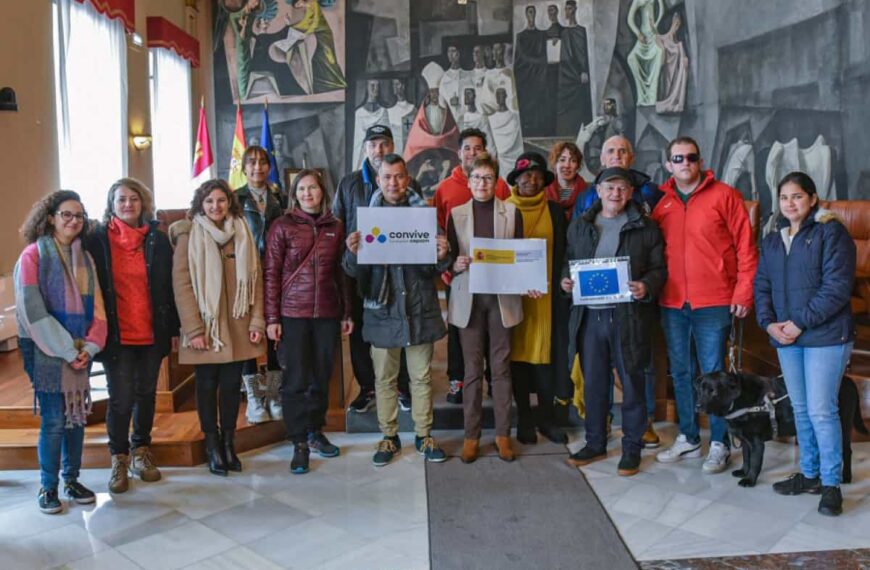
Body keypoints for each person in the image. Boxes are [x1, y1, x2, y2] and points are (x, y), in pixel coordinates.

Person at [652, 136, 757, 473]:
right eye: (678, 159)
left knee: (715, 377)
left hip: (714, 301)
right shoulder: (662, 204)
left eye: (691, 158)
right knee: (681, 373)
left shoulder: (725, 196)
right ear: (669, 165)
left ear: (700, 161)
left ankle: (719, 443)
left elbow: (746, 248)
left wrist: (743, 293)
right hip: (672, 303)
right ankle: (688, 437)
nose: (685, 164)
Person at [755, 172, 855, 516]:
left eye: (797, 196)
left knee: (821, 410)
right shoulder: (772, 239)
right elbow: (762, 287)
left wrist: (798, 323)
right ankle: (810, 475)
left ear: (813, 199)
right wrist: (769, 324)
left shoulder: (831, 232)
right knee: (799, 408)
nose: (790, 203)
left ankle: (831, 485)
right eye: (784, 197)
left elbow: (837, 288)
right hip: (786, 336)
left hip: (824, 336)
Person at [343, 154, 450, 467]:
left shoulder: (423, 215)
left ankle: (423, 434)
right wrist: (351, 253)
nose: (393, 182)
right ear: (379, 180)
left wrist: (443, 254)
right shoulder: (365, 219)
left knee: (421, 378)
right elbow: (351, 271)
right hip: (382, 309)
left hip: (419, 308)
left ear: (408, 178)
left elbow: (434, 266)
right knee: (385, 379)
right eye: (387, 177)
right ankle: (388, 437)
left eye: (399, 176)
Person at [560, 167, 666, 476]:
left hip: (627, 316)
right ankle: (595, 442)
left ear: (630, 193)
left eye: (622, 188)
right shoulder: (580, 225)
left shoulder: (645, 227)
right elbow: (568, 262)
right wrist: (566, 280)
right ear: (598, 190)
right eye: (610, 187)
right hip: (590, 316)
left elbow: (659, 268)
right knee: (594, 383)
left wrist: (647, 285)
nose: (615, 193)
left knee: (632, 382)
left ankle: (632, 447)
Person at [14, 190, 107, 514]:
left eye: (79, 216)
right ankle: (48, 486)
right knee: (55, 420)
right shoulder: (32, 256)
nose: (73, 221)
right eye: (66, 214)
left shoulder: (86, 259)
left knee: (76, 419)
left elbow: (99, 310)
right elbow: (32, 311)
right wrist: (67, 350)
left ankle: (72, 479)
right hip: (43, 348)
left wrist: (91, 345)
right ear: (50, 217)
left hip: (80, 349)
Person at [84, 179, 177, 494]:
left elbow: (168, 288)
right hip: (116, 336)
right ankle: (118, 457)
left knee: (146, 395)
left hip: (151, 332)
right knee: (121, 398)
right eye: (121, 199)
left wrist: (174, 329)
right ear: (111, 204)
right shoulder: (96, 240)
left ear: (143, 203)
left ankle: (141, 450)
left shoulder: (158, 240)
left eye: (133, 199)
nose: (127, 204)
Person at [171, 179, 266, 476]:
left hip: (238, 325)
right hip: (205, 326)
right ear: (201, 204)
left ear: (229, 203)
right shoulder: (190, 234)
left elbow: (256, 280)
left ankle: (229, 441)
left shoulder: (242, 231)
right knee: (206, 384)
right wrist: (194, 329)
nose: (216, 206)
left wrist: (256, 320)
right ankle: (211, 443)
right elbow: (182, 285)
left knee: (229, 387)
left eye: (221, 201)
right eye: (209, 201)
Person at [264, 170, 354, 474]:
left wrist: (346, 313)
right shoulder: (282, 226)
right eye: (301, 189)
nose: (307, 193)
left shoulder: (336, 227)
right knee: (295, 380)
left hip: (327, 314)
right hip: (293, 315)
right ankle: (298, 440)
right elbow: (271, 274)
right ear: (294, 194)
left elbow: (342, 275)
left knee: (321, 376)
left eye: (312, 188)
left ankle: (316, 431)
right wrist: (272, 317)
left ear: (322, 191)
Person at [447, 152, 525, 463]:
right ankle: (471, 435)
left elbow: (521, 256)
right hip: (469, 299)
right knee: (472, 370)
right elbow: (448, 259)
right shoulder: (456, 214)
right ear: (468, 182)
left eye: (488, 178)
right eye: (477, 177)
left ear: (497, 182)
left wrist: (527, 278)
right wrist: (455, 262)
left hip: (501, 300)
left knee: (502, 369)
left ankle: (504, 435)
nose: (482, 183)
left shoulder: (511, 212)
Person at [333, 125, 417, 413]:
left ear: (392, 146)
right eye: (373, 145)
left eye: (384, 144)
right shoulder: (349, 183)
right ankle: (367, 387)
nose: (378, 150)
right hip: (360, 272)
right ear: (365, 148)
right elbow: (337, 224)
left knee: (401, 327)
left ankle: (403, 386)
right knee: (360, 334)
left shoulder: (408, 183)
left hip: (398, 273)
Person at [434, 128, 512, 405]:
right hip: (459, 272)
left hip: (494, 276)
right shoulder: (444, 188)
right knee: (460, 331)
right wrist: (448, 266)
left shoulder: (500, 185)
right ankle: (458, 381)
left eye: (478, 148)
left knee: (493, 332)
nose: (472, 153)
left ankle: (493, 380)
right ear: (459, 153)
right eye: (467, 148)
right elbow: (439, 231)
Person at [506, 152, 570, 444]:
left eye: (536, 175)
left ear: (544, 180)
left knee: (546, 360)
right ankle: (524, 420)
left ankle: (547, 419)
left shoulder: (556, 212)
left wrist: (563, 280)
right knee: (518, 361)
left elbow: (567, 253)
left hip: (547, 301)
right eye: (524, 175)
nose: (530, 180)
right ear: (516, 179)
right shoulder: (503, 210)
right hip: (514, 300)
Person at [235, 146, 284, 425]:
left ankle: (274, 393)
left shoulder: (279, 196)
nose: (257, 167)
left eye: (263, 162)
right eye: (251, 163)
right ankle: (255, 398)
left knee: (276, 334)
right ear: (243, 168)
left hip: (274, 273)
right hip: (247, 275)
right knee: (248, 336)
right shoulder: (235, 199)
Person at [546, 141, 588, 219]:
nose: (567, 165)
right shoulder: (544, 191)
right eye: (562, 160)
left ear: (578, 166)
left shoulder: (587, 192)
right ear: (555, 164)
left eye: (573, 161)